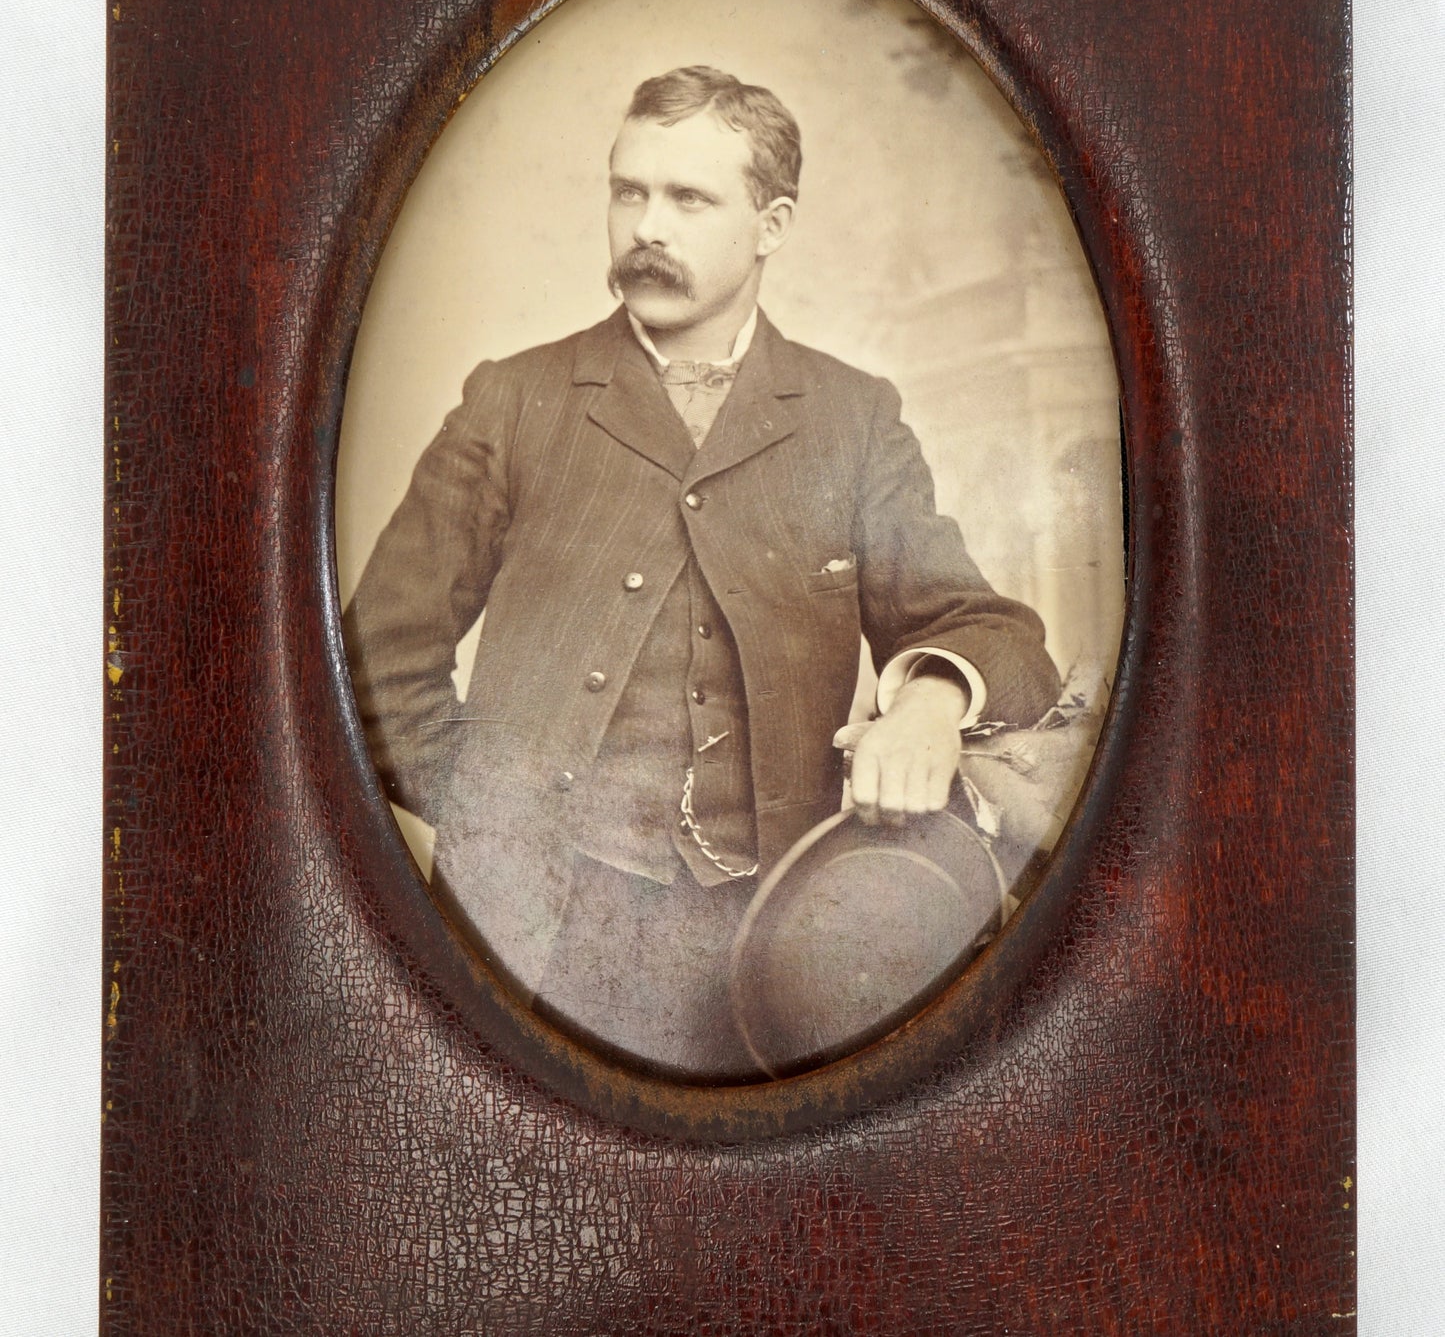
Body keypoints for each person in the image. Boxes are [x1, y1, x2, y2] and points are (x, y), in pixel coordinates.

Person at [343, 66, 1060, 1077]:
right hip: (538, 943)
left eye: (688, 198)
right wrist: (491, 811)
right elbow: (372, 663)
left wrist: (931, 702)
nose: (646, 226)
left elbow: (994, 633)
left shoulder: (851, 418)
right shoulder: (512, 402)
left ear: (770, 223)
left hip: (778, 940)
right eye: (628, 191)